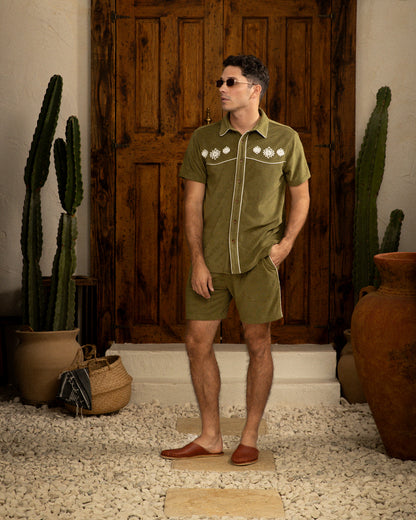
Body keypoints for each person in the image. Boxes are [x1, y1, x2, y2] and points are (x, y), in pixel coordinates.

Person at [161, 55, 310, 465]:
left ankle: (249, 435)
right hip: (211, 261)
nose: (221, 89)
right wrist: (197, 259)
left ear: (254, 89)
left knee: (258, 343)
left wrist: (285, 245)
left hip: (258, 261)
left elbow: (302, 196)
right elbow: (192, 203)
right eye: (219, 82)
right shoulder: (204, 140)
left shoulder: (285, 139)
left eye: (230, 82)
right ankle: (210, 436)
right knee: (197, 343)